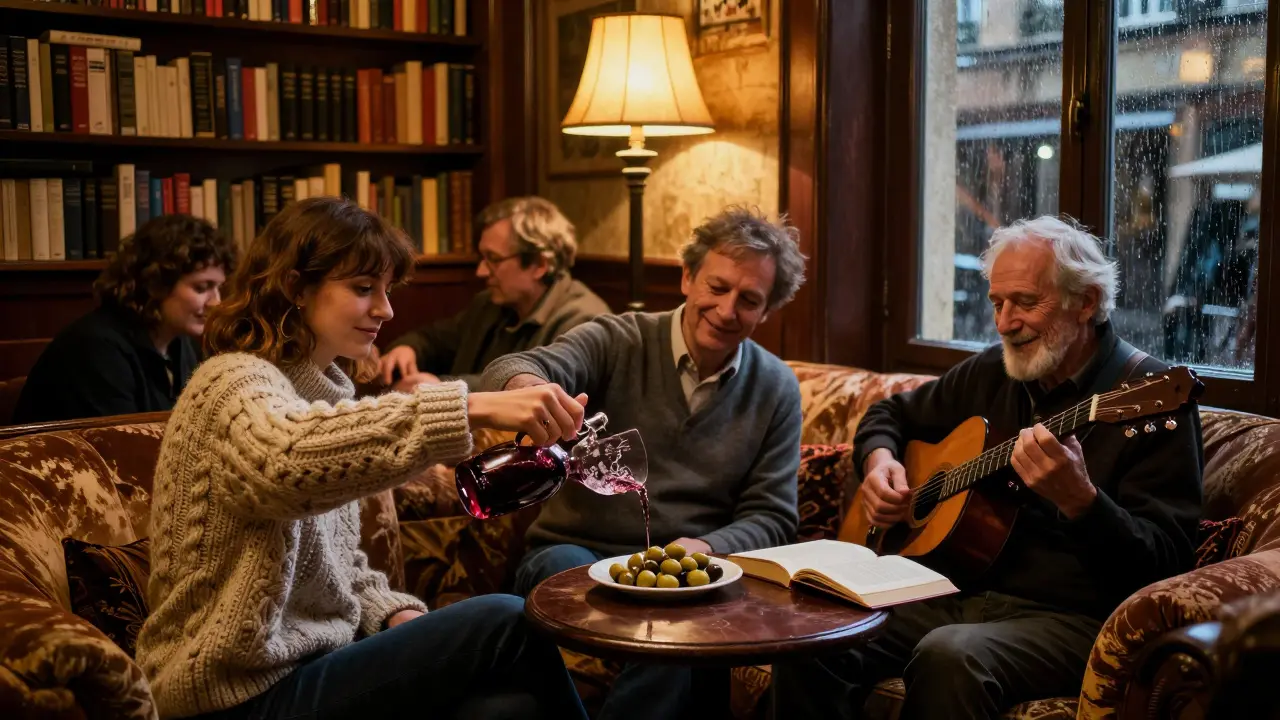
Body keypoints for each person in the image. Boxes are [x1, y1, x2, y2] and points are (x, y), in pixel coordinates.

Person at [135, 197, 590, 720]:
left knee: (509, 708)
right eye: (362, 288)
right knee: (506, 617)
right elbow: (284, 464)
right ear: (296, 287)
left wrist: (391, 614)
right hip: (231, 694)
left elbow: (334, 569)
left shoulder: (323, 398)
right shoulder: (231, 381)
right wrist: (471, 404)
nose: (386, 310)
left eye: (387, 289)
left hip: (311, 668)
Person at [770, 216, 1204, 719]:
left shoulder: (1149, 398)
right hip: (958, 593)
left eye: (1025, 302)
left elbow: (1166, 565)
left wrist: (1081, 502)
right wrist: (880, 461)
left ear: (1085, 302)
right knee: (812, 632)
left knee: (950, 656)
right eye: (997, 303)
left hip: (1071, 616)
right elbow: (889, 414)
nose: (1004, 323)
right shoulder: (994, 371)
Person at [482, 205, 809, 720]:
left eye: (749, 300)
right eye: (717, 287)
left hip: (685, 571)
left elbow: (772, 516)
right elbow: (511, 366)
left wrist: (706, 548)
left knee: (673, 628)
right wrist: (531, 390)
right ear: (687, 277)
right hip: (573, 551)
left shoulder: (776, 387)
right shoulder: (618, 339)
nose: (727, 310)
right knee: (567, 578)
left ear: (766, 311)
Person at [13, 214, 235, 424]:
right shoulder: (96, 348)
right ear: (155, 283)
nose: (215, 303)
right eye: (201, 287)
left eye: (218, 288)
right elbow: (123, 445)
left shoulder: (182, 344)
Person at [376, 196, 610, 391]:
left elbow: (533, 387)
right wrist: (409, 348)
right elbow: (435, 339)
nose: (481, 271)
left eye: (494, 259)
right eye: (482, 258)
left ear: (539, 264)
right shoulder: (489, 303)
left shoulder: (582, 320)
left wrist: (442, 387)